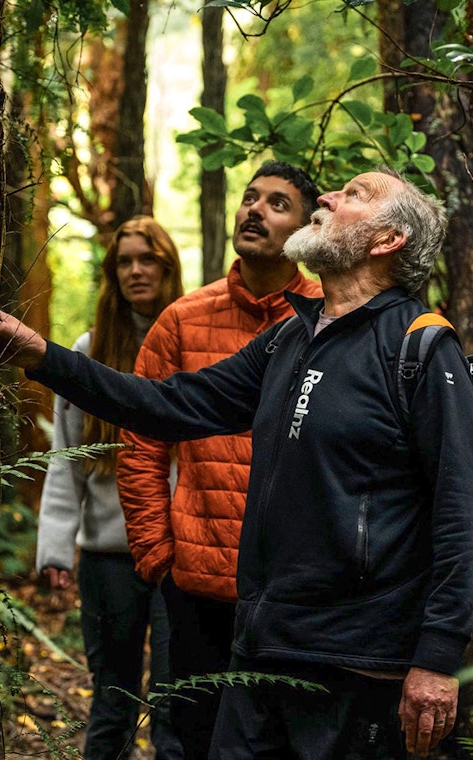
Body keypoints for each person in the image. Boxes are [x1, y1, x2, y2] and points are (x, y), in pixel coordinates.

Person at [0, 168, 473, 759]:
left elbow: (467, 512)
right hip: (260, 648)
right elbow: (169, 404)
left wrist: (436, 659)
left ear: (387, 242)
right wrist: (45, 358)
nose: (329, 197)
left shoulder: (420, 349)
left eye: (354, 195)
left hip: (358, 665)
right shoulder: (288, 339)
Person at [116, 161, 322, 758]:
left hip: (293, 591)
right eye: (249, 198)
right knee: (197, 740)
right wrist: (157, 552)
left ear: (308, 229)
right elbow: (141, 442)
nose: (254, 210)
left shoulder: (333, 319)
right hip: (198, 583)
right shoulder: (182, 319)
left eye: (277, 203)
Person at [35, 216, 185, 760]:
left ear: (169, 268)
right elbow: (67, 460)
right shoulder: (89, 348)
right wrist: (55, 546)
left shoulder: (194, 341)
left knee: (177, 704)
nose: (136, 271)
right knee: (112, 704)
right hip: (108, 558)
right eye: (125, 261)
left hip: (181, 557)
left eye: (148, 259)